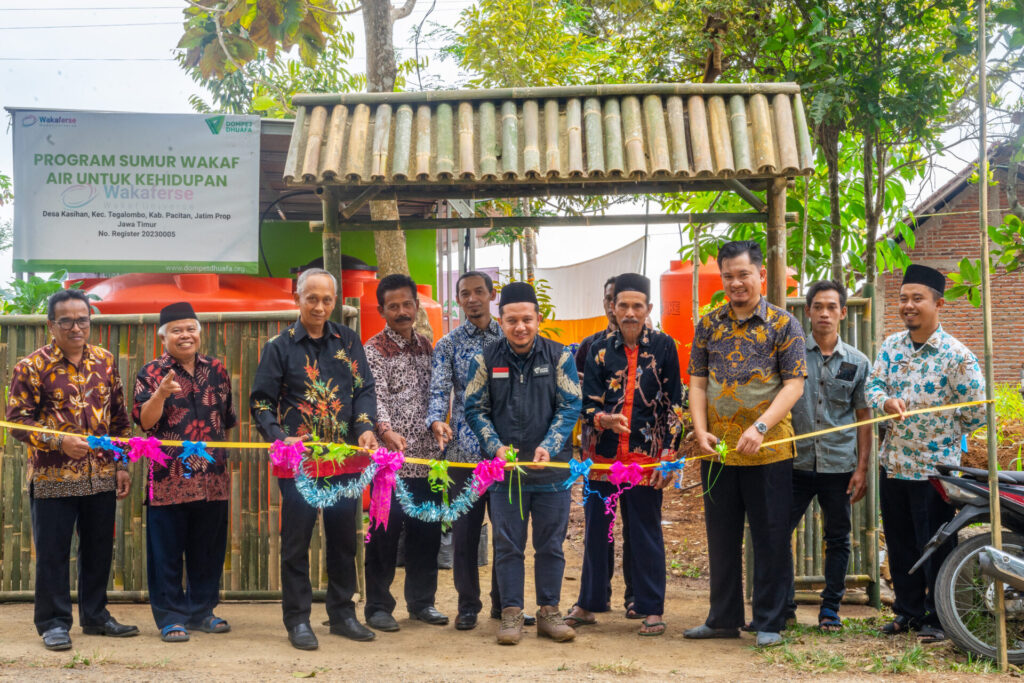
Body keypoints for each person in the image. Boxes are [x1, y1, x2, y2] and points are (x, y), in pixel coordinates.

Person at [684, 240, 807, 648]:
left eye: (743, 274)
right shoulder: (708, 324)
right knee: (721, 536)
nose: (736, 283)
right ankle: (722, 618)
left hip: (768, 449)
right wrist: (699, 431)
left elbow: (793, 385)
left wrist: (761, 426)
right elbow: (698, 383)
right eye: (728, 276)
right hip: (718, 450)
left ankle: (769, 621)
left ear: (760, 275)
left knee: (771, 536)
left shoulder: (784, 323)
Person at [250, 268, 379, 650]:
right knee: (296, 541)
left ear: (334, 301)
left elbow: (364, 389)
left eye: (327, 299)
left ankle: (342, 615)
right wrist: (280, 438)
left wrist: (366, 428)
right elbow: (260, 402)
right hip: (299, 463)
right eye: (312, 298)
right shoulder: (279, 346)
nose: (320, 306)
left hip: (345, 461)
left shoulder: (349, 339)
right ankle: (298, 620)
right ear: (297, 298)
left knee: (343, 540)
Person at [6, 289, 137, 651]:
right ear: (51, 324)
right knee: (53, 552)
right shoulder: (31, 366)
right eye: (67, 320)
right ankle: (53, 622)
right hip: (52, 478)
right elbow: (17, 422)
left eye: (82, 319)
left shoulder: (106, 361)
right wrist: (58, 443)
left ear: (90, 321)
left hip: (101, 475)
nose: (76, 327)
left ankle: (96, 616)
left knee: (98, 549)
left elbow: (120, 419)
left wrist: (122, 463)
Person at [866, 264, 985, 641]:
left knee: (934, 543)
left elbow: (977, 410)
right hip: (894, 464)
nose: (908, 305)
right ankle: (907, 612)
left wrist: (942, 431)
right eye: (903, 299)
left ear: (938, 303)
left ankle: (939, 618)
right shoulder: (890, 347)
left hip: (935, 471)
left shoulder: (957, 356)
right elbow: (872, 387)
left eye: (917, 298)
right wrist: (885, 402)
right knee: (900, 542)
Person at [464, 281, 582, 645]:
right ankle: (511, 614)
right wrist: (495, 447)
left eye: (527, 319)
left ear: (538, 319)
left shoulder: (560, 356)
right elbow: (474, 407)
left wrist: (549, 445)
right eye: (512, 320)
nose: (520, 327)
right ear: (500, 320)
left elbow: (569, 405)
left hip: (551, 472)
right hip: (506, 475)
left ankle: (549, 612)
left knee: (551, 545)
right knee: (508, 544)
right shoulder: (484, 360)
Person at [567, 273, 684, 637]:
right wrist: (602, 418)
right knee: (597, 531)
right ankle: (589, 603)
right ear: (612, 308)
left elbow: (674, 405)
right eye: (623, 305)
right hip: (600, 458)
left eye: (638, 306)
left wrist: (669, 456)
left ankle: (650, 607)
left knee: (646, 531)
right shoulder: (595, 347)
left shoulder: (665, 347)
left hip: (646, 459)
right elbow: (584, 404)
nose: (630, 313)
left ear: (649, 308)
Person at [133, 302, 237, 643]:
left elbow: (228, 419)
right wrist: (161, 393)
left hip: (213, 479)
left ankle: (202, 611)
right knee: (166, 552)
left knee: (208, 550)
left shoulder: (217, 369)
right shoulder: (150, 373)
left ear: (199, 331)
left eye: (190, 328)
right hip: (168, 481)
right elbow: (145, 422)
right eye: (176, 330)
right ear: (163, 336)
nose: (185, 335)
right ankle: (170, 617)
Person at [427, 271, 517, 631]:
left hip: (504, 454)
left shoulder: (510, 337)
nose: (473, 298)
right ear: (459, 300)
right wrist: (436, 421)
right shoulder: (447, 345)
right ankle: (468, 606)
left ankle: (504, 604)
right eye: (465, 294)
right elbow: (438, 391)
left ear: (492, 295)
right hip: (463, 452)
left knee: (507, 532)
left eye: (479, 291)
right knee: (465, 533)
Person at [363, 274, 448, 632]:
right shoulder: (373, 349)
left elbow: (438, 395)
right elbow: (373, 397)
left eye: (407, 304)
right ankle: (378, 607)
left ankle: (421, 603)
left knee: (426, 534)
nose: (401, 311)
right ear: (382, 310)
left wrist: (437, 424)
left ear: (416, 305)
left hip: (428, 460)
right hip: (389, 463)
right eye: (393, 306)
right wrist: (384, 431)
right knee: (383, 532)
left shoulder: (428, 347)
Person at [786, 281, 871, 632]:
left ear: (842, 312)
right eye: (817, 306)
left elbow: (866, 419)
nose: (824, 313)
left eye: (831, 307)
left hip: (839, 466)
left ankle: (830, 610)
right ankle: (783, 606)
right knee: (776, 534)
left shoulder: (857, 362)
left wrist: (862, 468)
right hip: (793, 463)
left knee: (838, 538)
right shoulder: (790, 355)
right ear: (807, 311)